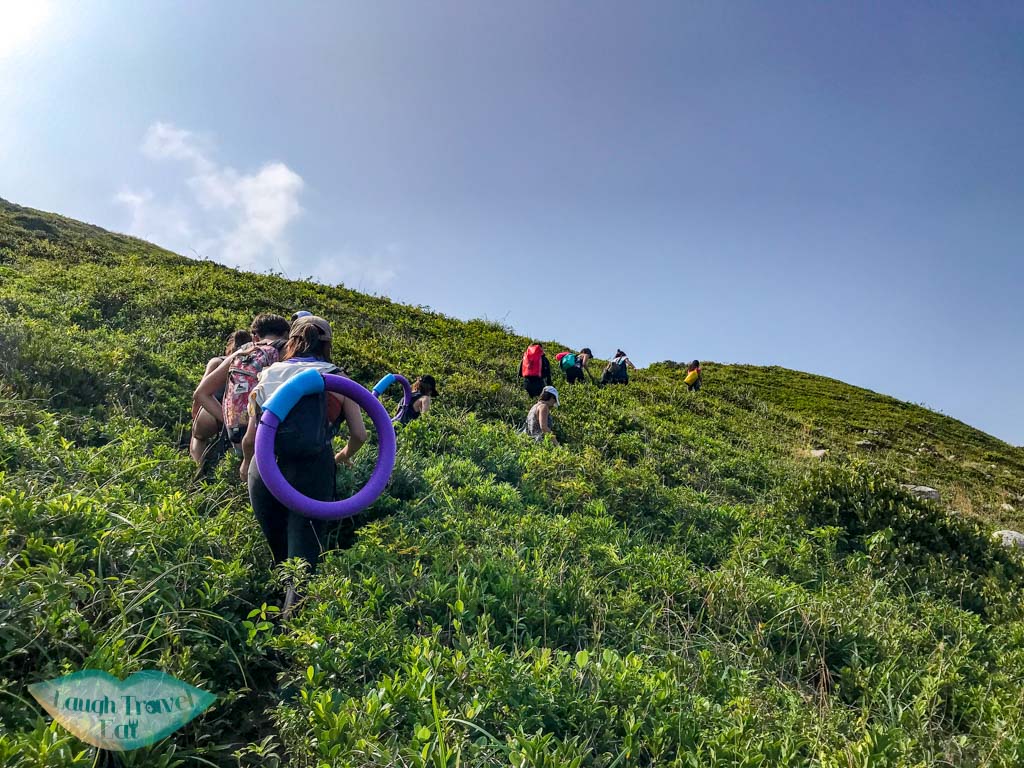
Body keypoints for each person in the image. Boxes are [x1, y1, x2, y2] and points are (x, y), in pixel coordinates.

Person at [239, 315, 368, 615]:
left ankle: (266, 620)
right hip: (313, 471)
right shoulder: (338, 378)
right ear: (328, 344)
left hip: (265, 468)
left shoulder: (270, 373)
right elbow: (360, 434)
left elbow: (251, 437)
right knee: (302, 562)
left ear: (292, 341)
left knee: (279, 552)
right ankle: (292, 632)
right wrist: (343, 455)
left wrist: (246, 464)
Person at [193, 313, 291, 452]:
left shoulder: (242, 353)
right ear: (286, 334)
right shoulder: (288, 353)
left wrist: (229, 421)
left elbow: (200, 394)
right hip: (274, 437)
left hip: (239, 434)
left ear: (255, 337)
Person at [190, 329, 251, 471]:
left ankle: (198, 469)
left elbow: (201, 390)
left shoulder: (217, 361)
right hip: (239, 412)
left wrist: (195, 410)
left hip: (212, 409)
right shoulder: (252, 362)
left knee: (198, 437)